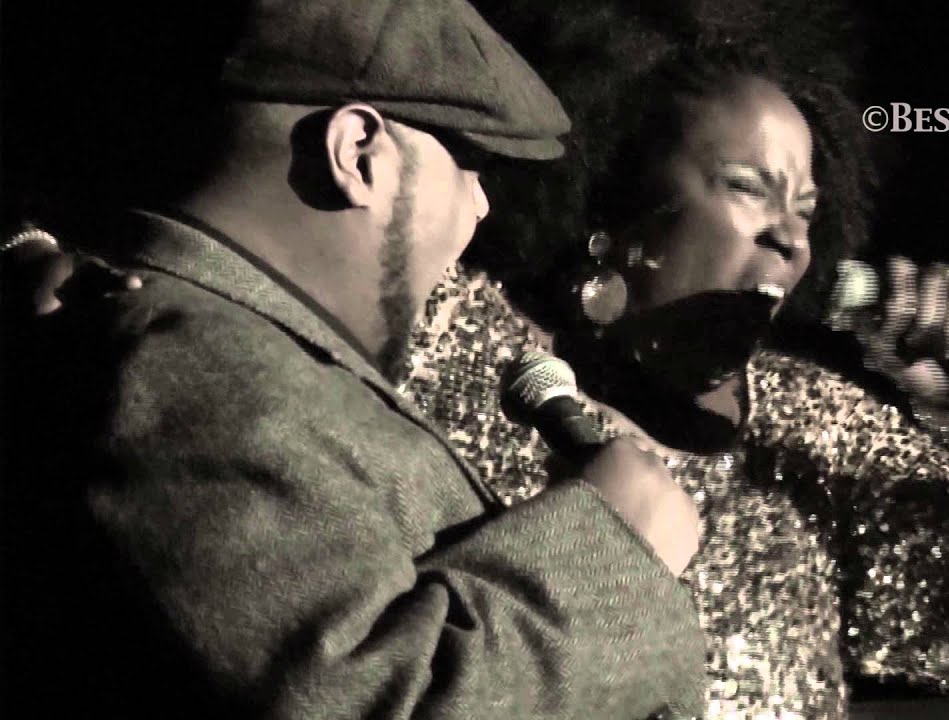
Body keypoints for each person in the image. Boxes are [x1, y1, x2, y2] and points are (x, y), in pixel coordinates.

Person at [402, 5, 949, 719]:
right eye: (749, 188)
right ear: (615, 201)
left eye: (806, 210)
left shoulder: (807, 423)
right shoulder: (454, 345)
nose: (791, 238)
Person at [0, 1, 708, 718]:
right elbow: (365, 700)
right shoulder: (182, 364)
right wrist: (613, 552)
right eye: (470, 166)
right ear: (357, 152)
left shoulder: (224, 353)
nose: (481, 207)